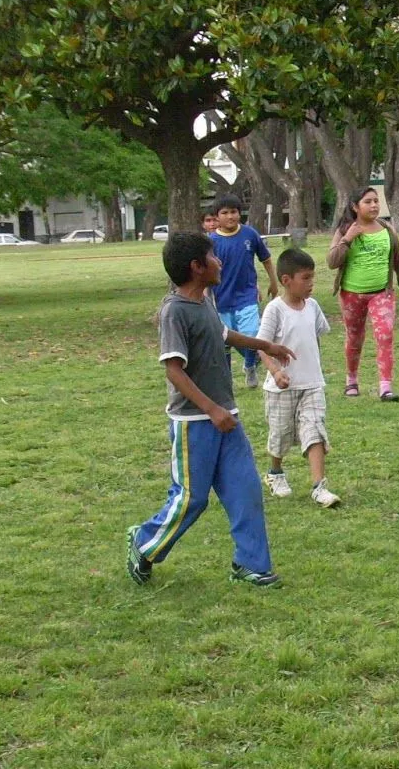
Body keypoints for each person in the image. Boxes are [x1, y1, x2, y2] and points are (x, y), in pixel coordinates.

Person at [125, 232, 294, 589]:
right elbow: (174, 370)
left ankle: (250, 564)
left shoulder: (205, 300)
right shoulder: (174, 311)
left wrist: (265, 345)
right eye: (213, 256)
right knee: (191, 498)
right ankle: (144, 542)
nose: (220, 262)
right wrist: (212, 409)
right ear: (196, 267)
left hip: (226, 418)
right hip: (195, 422)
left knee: (245, 490)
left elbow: (224, 334)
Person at [257, 248, 341, 508]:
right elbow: (262, 346)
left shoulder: (313, 307)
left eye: (312, 277)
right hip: (282, 388)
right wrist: (276, 371)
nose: (311, 283)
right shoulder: (275, 310)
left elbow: (315, 337)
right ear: (286, 280)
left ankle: (319, 486)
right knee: (280, 435)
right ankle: (275, 473)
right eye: (305, 278)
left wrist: (314, 369)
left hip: (312, 385)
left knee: (315, 430)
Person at [327, 186, 399, 402]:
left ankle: (385, 388)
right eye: (368, 202)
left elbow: (398, 262)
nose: (374, 205)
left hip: (382, 294)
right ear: (355, 207)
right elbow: (332, 262)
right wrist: (347, 238)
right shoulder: (345, 230)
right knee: (354, 338)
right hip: (351, 295)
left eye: (376, 201)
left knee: (385, 335)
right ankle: (351, 381)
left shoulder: (387, 230)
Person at [209, 195, 280, 389]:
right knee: (225, 341)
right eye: (225, 213)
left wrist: (273, 283)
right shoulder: (211, 241)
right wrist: (206, 296)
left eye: (233, 212)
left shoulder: (250, 234)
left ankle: (250, 365)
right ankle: (227, 379)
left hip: (247, 296)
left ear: (240, 213)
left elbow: (266, 259)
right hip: (222, 299)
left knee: (252, 335)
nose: (230, 216)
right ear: (217, 217)